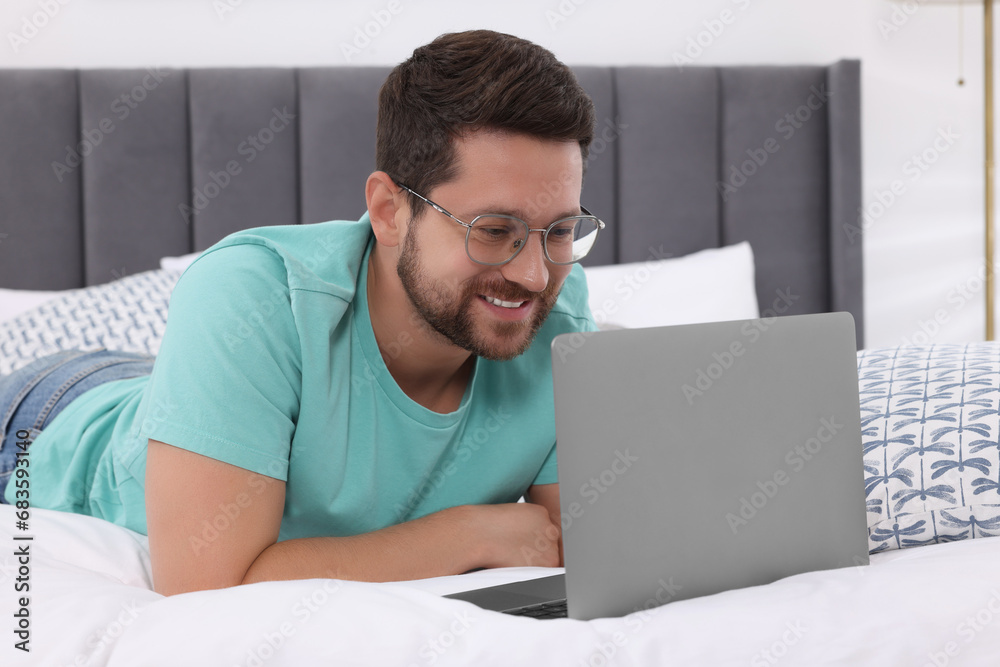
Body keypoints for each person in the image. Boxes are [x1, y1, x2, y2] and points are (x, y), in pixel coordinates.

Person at [0, 29, 602, 595]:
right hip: (45, 416)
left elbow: (583, 547)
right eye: (494, 230)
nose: (531, 275)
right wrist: (466, 534)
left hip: (184, 386)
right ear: (390, 211)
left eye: (559, 230)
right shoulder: (251, 294)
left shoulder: (556, 309)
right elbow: (204, 584)